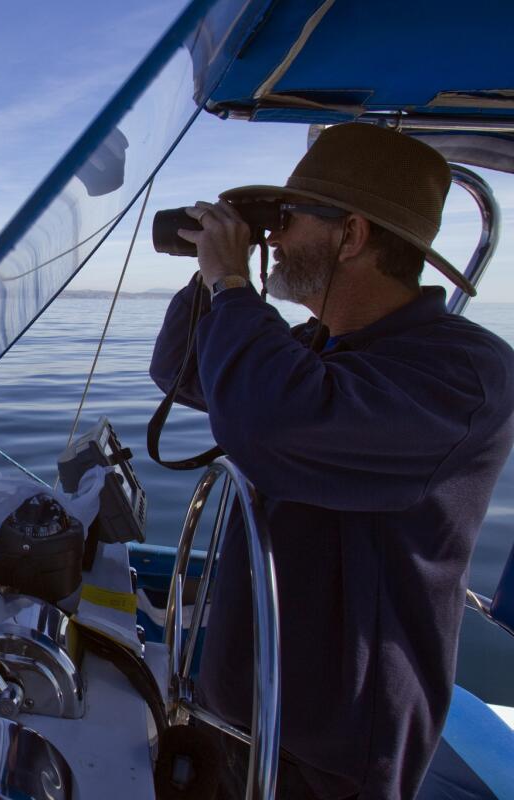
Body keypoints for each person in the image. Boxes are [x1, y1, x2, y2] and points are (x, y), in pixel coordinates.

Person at [150, 122, 514, 798]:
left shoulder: (464, 371)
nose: (275, 238)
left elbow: (273, 423)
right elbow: (181, 372)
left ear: (351, 235)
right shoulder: (318, 345)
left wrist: (233, 280)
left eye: (287, 220)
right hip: (247, 694)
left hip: (337, 741)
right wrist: (210, 278)